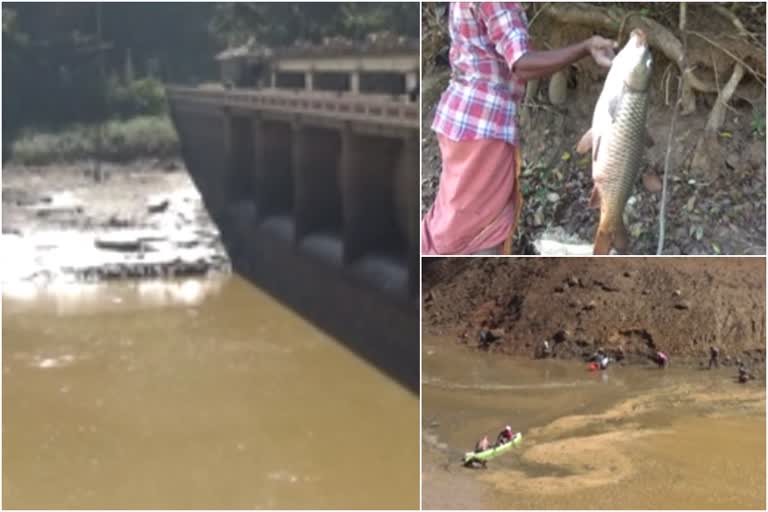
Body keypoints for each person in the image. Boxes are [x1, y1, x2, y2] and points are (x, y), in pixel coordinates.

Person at [421, 2, 618, 255]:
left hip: (461, 120)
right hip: (482, 128)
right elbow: (521, 63)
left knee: (459, 219)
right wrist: (585, 47)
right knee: (476, 230)